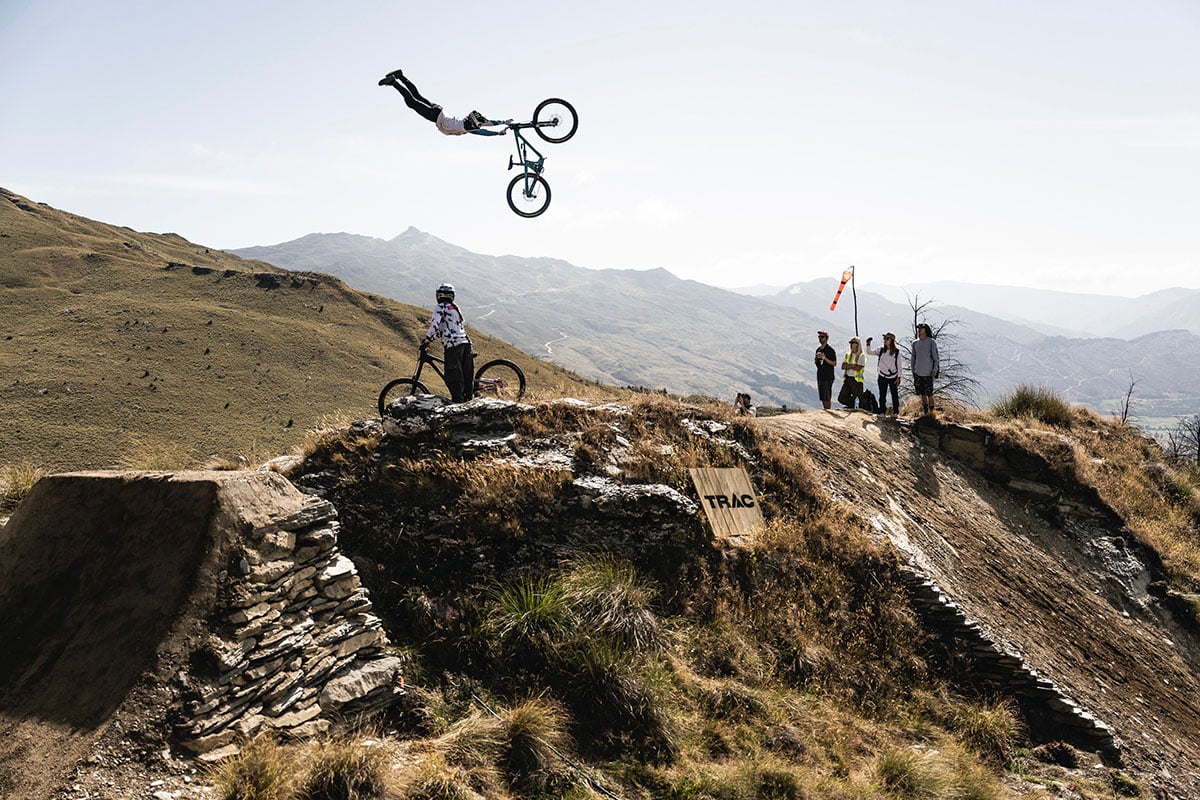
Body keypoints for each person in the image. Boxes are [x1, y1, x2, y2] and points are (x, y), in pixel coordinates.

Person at [377, 69, 501, 137]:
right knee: (412, 102)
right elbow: (484, 132)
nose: (479, 126)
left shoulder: (467, 123)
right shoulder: (468, 127)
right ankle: (393, 82)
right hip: (436, 116)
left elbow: (488, 123)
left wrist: (503, 122)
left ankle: (400, 76)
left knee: (417, 97)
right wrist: (497, 133)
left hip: (439, 111)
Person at [422, 283, 474, 403]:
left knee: (453, 378)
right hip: (466, 343)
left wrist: (427, 340)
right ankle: (468, 401)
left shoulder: (440, 307)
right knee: (466, 377)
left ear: (438, 295)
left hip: (453, 346)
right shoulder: (454, 307)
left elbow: (434, 325)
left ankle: (458, 405)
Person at [866, 332, 903, 415]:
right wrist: (868, 344)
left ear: (892, 340)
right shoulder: (881, 350)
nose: (885, 340)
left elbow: (899, 366)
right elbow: (869, 352)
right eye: (884, 339)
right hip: (882, 375)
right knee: (882, 395)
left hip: (893, 376)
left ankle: (895, 412)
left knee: (894, 394)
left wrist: (899, 377)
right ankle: (882, 411)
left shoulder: (896, 352)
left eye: (887, 339)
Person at [912, 323, 940, 415]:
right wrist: (913, 370)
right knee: (922, 394)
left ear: (926, 330)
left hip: (928, 373)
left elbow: (935, 358)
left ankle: (932, 413)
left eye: (921, 328)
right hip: (918, 372)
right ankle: (925, 412)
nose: (919, 329)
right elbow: (913, 358)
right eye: (919, 328)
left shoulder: (931, 342)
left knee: (929, 394)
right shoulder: (915, 343)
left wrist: (935, 370)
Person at [839, 337, 866, 409]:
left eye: (853, 343)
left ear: (858, 344)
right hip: (848, 378)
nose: (851, 345)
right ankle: (851, 405)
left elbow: (858, 368)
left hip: (857, 380)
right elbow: (843, 366)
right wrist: (853, 366)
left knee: (857, 399)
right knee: (841, 398)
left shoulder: (861, 355)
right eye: (850, 343)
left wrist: (848, 366)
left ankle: (857, 406)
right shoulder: (847, 355)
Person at [814, 331, 837, 409]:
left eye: (822, 337)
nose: (820, 339)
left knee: (826, 396)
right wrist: (817, 359)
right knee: (822, 396)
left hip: (828, 376)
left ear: (826, 338)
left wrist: (824, 358)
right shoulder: (818, 350)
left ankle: (828, 410)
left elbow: (834, 363)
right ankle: (825, 410)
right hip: (820, 375)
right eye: (819, 337)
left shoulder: (830, 350)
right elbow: (817, 363)